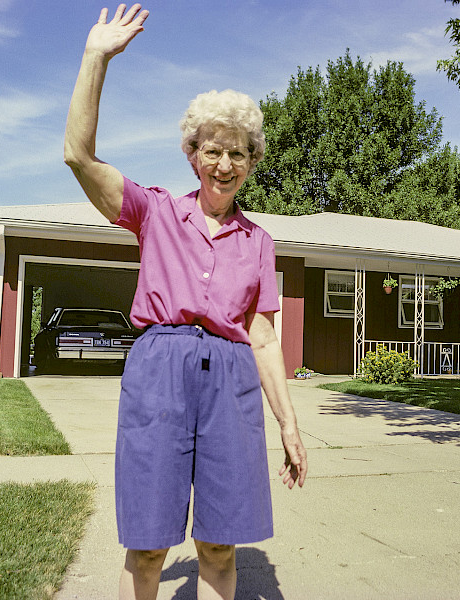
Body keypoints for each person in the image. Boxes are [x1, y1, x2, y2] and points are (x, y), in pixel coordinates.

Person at [64, 5, 308, 599]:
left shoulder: (259, 243)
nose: (225, 164)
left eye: (239, 153)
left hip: (231, 379)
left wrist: (289, 424)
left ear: (251, 162)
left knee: (221, 544)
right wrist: (96, 57)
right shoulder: (154, 212)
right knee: (148, 545)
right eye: (212, 150)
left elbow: (264, 337)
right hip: (159, 370)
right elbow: (78, 156)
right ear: (192, 154)